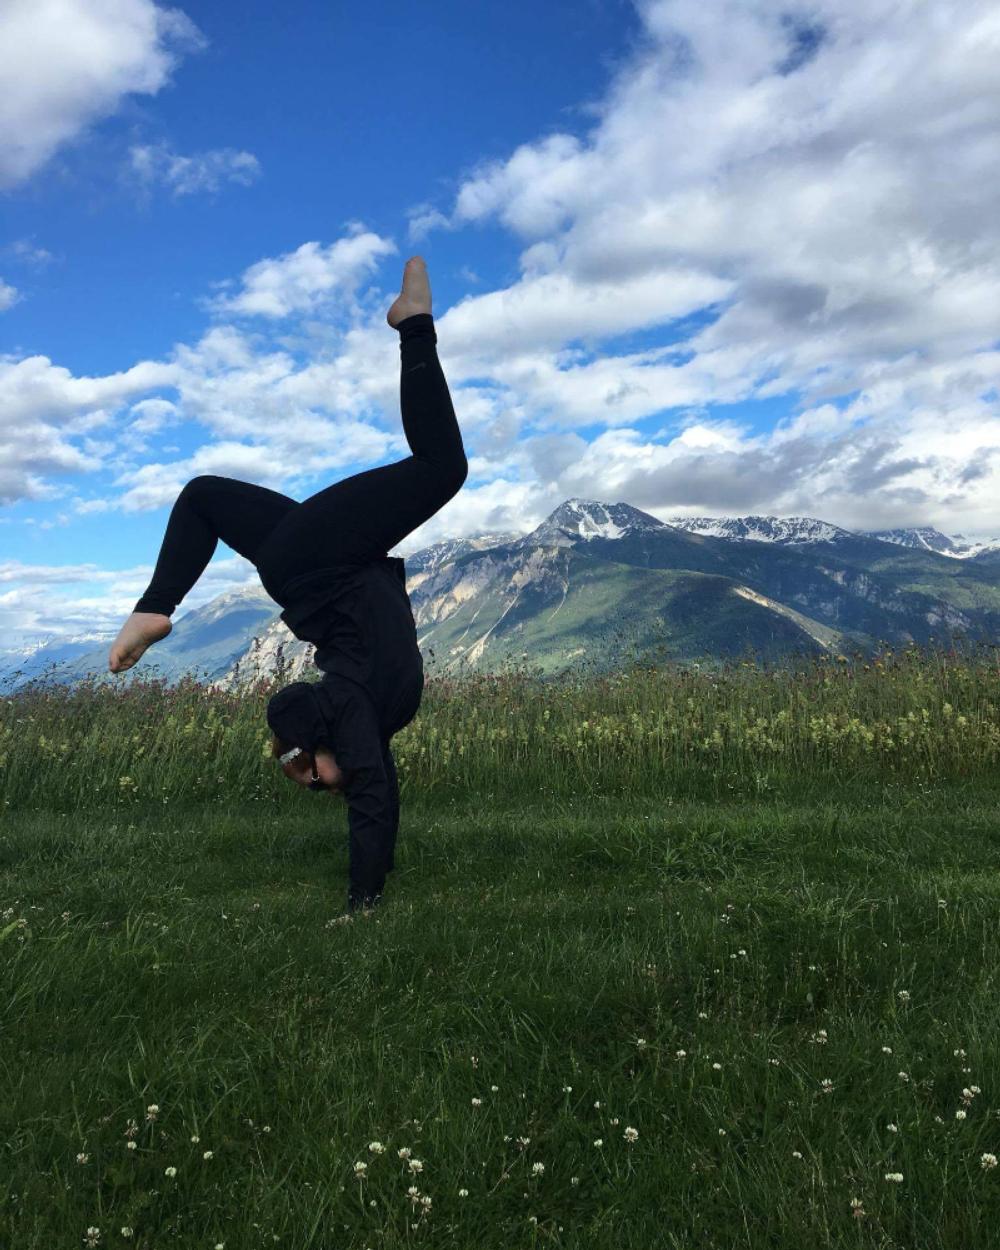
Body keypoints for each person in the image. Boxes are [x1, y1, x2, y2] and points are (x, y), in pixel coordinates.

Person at [107, 256, 467, 915]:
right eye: (320, 786)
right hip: (324, 565)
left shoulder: (335, 710)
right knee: (205, 497)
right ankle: (154, 607)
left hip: (320, 566)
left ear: (315, 752)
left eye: (314, 780)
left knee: (442, 469)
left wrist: (294, 757)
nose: (328, 786)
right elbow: (376, 799)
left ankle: (413, 323)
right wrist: (365, 893)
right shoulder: (367, 723)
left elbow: (311, 734)